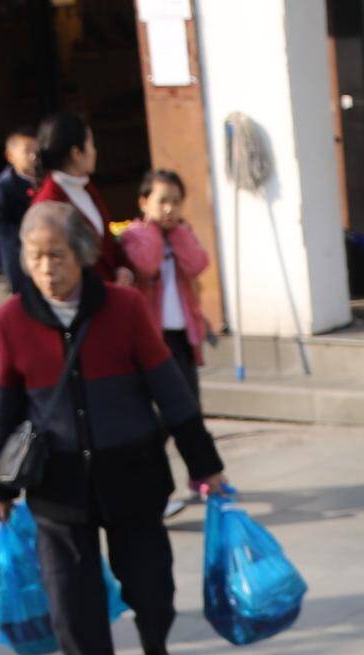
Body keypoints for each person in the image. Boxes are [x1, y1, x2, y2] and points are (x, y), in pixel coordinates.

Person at [0, 201, 226, 655]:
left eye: (57, 255)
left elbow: (172, 391)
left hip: (133, 478)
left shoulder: (123, 308)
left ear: (85, 255)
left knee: (153, 589)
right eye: (34, 256)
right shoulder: (12, 319)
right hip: (57, 489)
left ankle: (155, 645)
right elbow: (7, 405)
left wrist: (204, 463)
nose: (45, 267)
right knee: (72, 608)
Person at [120, 168, 217, 520]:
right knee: (161, 421)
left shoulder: (180, 236)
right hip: (151, 341)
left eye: (176, 202)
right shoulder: (135, 236)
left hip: (180, 336)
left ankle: (201, 476)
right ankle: (152, 490)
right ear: (144, 201)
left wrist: (178, 234)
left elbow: (199, 264)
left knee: (189, 410)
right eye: (162, 201)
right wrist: (156, 233)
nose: (168, 209)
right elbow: (143, 265)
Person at [29, 112, 129, 282]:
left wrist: (123, 268)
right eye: (91, 145)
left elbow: (107, 242)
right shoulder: (49, 203)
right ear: (76, 153)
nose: (95, 152)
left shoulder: (86, 187)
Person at [0, 128, 37, 292]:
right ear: (10, 156)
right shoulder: (5, 185)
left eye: (36, 150)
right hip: (17, 251)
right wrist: (24, 236)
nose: (33, 156)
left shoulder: (42, 179)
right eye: (27, 150)